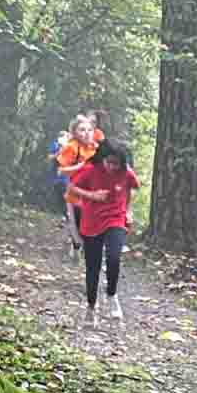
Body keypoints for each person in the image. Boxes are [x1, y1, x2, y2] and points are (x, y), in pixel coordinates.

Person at [65, 138, 139, 332]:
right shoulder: (90, 170)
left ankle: (112, 295)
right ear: (103, 158)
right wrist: (92, 196)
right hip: (91, 221)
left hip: (116, 218)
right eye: (110, 162)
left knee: (114, 256)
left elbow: (131, 189)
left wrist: (128, 210)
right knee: (93, 266)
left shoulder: (125, 172)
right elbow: (72, 188)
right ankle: (91, 307)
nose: (113, 167)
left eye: (117, 163)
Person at [52, 114, 100, 254]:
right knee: (76, 222)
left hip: (94, 192)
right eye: (82, 130)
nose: (86, 133)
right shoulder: (72, 147)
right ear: (74, 132)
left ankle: (87, 248)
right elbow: (61, 171)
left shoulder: (96, 148)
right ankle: (76, 245)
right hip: (75, 191)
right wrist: (80, 167)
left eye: (89, 130)